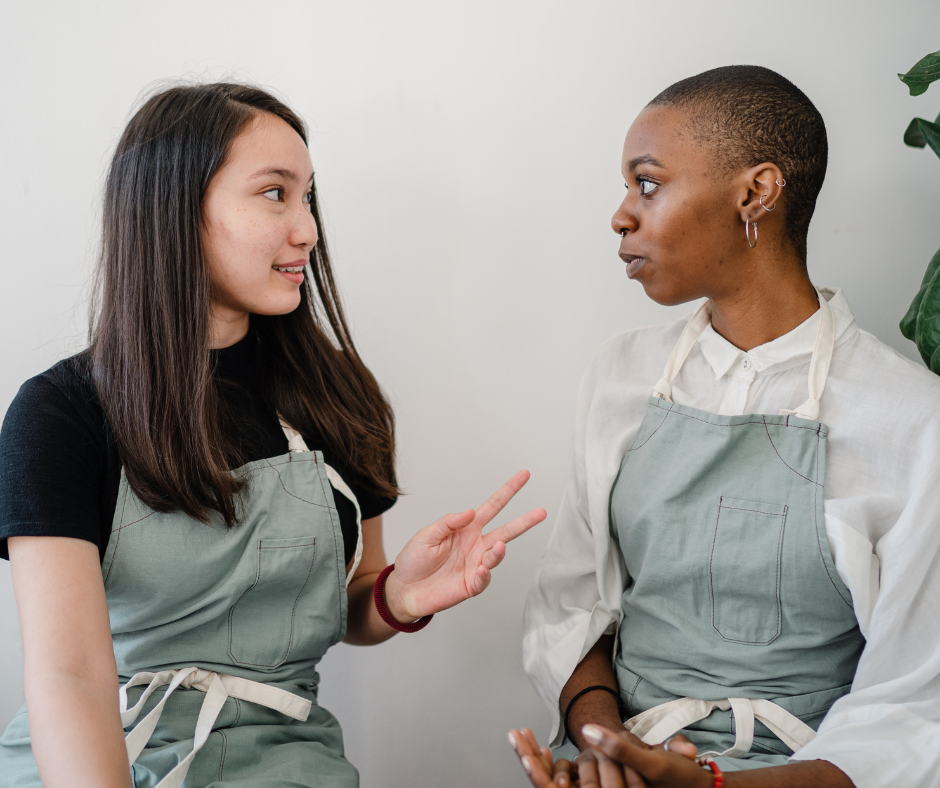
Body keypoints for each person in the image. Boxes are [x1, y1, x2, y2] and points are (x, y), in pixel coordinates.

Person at [0, 82, 546, 788]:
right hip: (101, 756)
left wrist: (393, 599)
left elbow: (354, 605)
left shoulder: (339, 395)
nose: (308, 229)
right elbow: (69, 676)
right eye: (274, 194)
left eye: (308, 196)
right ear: (174, 210)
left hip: (288, 761)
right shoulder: (61, 414)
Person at [508, 66, 940, 788]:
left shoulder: (910, 417)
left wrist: (709, 786)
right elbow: (572, 607)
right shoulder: (618, 377)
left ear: (755, 193)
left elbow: (914, 710)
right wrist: (608, 750)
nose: (621, 214)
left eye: (646, 183)